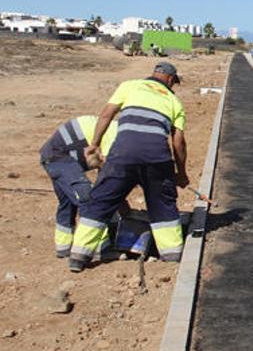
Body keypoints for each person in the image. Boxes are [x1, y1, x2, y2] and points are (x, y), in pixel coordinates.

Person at [68, 62, 189, 272]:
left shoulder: (129, 86)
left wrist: (95, 144)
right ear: (170, 80)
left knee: (101, 200)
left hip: (123, 155)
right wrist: (181, 173)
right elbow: (178, 142)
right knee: (163, 205)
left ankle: (78, 256)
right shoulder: (174, 101)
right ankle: (171, 257)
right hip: (157, 158)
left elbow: (106, 114)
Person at [40, 115, 120, 258]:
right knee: (88, 199)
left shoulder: (118, 129)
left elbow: (105, 173)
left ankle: (63, 247)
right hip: (59, 157)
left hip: (54, 156)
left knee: (68, 202)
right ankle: (99, 247)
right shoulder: (117, 136)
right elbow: (108, 172)